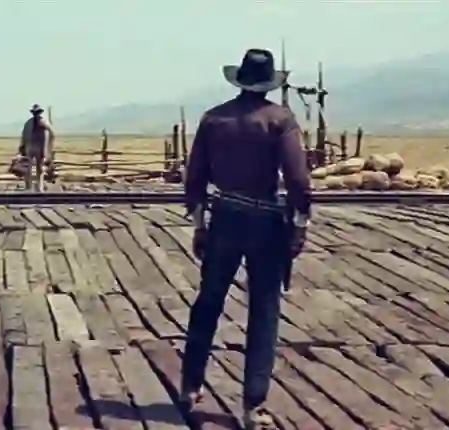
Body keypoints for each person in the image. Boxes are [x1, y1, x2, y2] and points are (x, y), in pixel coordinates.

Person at [180, 48, 311, 429]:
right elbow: (298, 180)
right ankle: (254, 406)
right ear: (269, 82)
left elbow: (195, 179)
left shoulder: (214, 118)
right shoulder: (279, 119)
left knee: (208, 301)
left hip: (224, 218)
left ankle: (190, 386)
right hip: (266, 223)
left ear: (239, 79)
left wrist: (200, 225)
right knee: (264, 309)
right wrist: (300, 224)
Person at [17, 104, 55, 191]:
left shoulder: (43, 122)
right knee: (28, 168)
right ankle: (29, 187)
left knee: (39, 169)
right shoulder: (30, 123)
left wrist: (49, 146)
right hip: (31, 147)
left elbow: (51, 133)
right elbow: (24, 135)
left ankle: (38, 187)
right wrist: (22, 146)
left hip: (39, 148)